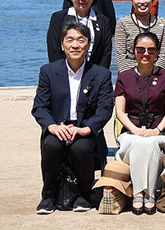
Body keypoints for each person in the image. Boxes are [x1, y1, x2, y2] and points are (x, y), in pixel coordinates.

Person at [32, 21, 115, 214]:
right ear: (62, 45)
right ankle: (49, 195)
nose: (75, 45)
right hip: (58, 127)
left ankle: (84, 194)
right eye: (70, 40)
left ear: (88, 45)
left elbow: (105, 108)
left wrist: (88, 128)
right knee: (52, 145)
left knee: (80, 148)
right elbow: (40, 107)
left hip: (85, 129)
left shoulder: (100, 74)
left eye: (81, 40)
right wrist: (52, 126)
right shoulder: (49, 71)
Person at [113, 32, 165, 215]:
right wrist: (134, 129)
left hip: (161, 133)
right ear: (134, 51)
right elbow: (120, 112)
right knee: (141, 141)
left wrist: (157, 129)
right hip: (130, 133)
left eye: (151, 50)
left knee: (149, 142)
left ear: (157, 53)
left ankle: (145, 193)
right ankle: (143, 192)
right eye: (141, 49)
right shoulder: (124, 77)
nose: (145, 54)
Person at [47, 0, 113, 69]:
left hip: (94, 76)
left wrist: (99, 77)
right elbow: (54, 50)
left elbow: (106, 54)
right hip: (65, 75)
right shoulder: (58, 18)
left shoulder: (103, 21)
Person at [114, 0, 165, 72]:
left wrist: (153, 73)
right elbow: (121, 55)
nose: (142, 2)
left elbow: (163, 55)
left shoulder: (163, 23)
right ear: (131, 0)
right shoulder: (123, 23)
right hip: (129, 75)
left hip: (155, 76)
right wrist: (135, 75)